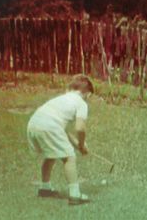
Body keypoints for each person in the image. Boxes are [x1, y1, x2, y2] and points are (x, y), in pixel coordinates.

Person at [27, 74, 94, 206]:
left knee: (50, 154)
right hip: (49, 126)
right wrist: (81, 145)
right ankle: (75, 195)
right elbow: (80, 128)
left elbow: (62, 130)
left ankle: (45, 188)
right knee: (69, 157)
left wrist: (77, 144)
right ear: (87, 93)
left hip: (33, 123)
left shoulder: (62, 99)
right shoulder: (81, 103)